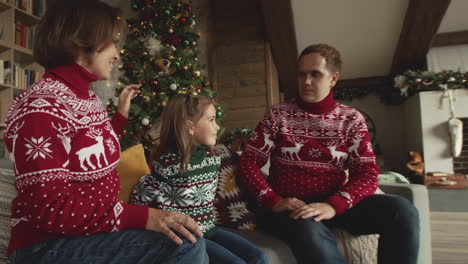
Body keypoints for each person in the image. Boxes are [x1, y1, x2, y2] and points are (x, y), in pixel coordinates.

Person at [4, 1, 208, 263]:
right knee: (183, 247)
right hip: (46, 244)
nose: (116, 54)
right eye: (111, 42)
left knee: (192, 238)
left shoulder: (89, 100)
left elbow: (97, 147)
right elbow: (48, 210)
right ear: (81, 39)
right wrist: (143, 216)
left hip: (91, 234)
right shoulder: (41, 106)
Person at [238, 44, 420, 264]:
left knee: (403, 211)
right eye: (302, 74)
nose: (306, 81)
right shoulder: (278, 116)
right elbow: (248, 162)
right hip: (291, 206)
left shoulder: (351, 119)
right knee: (309, 227)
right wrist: (273, 200)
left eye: (315, 74)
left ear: (333, 79)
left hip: (334, 203)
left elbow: (367, 172)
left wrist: (334, 205)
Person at [130, 94, 269, 264]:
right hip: (186, 238)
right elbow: (141, 195)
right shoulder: (169, 164)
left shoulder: (213, 159)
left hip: (209, 230)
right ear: (190, 127)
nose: (217, 127)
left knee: (259, 257)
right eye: (211, 120)